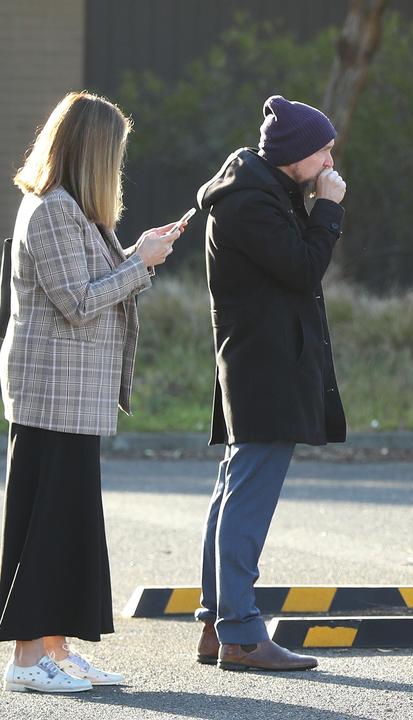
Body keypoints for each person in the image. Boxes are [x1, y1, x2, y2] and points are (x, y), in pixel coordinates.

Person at [1, 92, 183, 692]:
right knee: (44, 523)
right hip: (52, 393)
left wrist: (135, 255)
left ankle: (54, 648)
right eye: (116, 152)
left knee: (67, 524)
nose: (118, 166)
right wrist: (143, 263)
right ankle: (28, 659)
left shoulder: (74, 211)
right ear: (91, 151)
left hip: (73, 396)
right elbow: (77, 303)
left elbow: (88, 285)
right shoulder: (51, 209)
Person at [192, 95, 348, 672]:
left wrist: (311, 205)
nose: (332, 160)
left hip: (259, 363)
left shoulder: (262, 192)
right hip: (264, 369)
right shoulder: (251, 201)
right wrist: (328, 210)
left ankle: (218, 624)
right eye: (325, 149)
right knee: (246, 500)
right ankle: (239, 633)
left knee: (234, 491)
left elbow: (290, 267)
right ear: (297, 153)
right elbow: (303, 268)